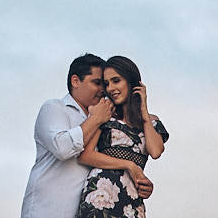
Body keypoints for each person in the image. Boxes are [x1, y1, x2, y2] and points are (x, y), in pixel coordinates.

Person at [22, 53, 153, 218]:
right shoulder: (55, 108)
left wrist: (139, 181)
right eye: (97, 83)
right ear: (75, 81)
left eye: (104, 84)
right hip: (48, 210)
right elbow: (62, 148)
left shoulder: (107, 121)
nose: (103, 90)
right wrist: (96, 119)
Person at [75, 55, 168, 218]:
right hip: (100, 197)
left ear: (131, 82)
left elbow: (155, 151)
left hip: (132, 201)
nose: (110, 88)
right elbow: (85, 156)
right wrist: (129, 165)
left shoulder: (151, 122)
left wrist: (144, 114)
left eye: (116, 80)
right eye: (107, 83)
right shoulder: (105, 113)